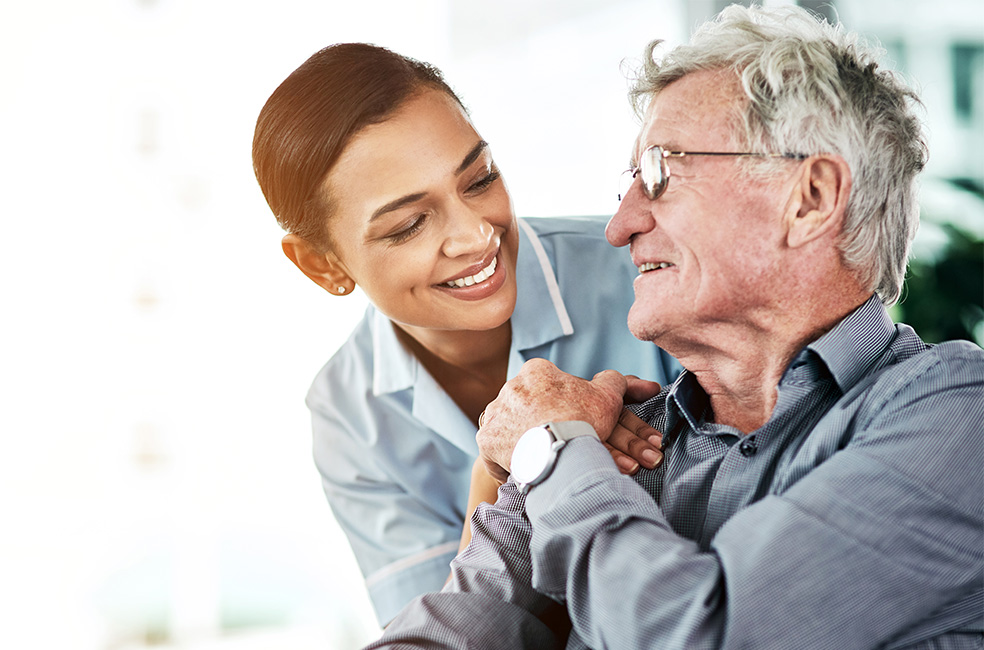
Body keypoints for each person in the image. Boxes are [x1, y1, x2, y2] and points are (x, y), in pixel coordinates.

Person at [365, 5, 984, 648]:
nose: (619, 226)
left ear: (811, 198)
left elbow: (704, 636)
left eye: (659, 172)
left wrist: (546, 452)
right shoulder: (607, 440)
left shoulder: (958, 415)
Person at [251, 43, 680, 626]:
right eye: (409, 224)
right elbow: (446, 634)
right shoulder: (346, 415)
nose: (477, 235)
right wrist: (503, 462)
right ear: (323, 265)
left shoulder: (639, 270)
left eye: (479, 180)